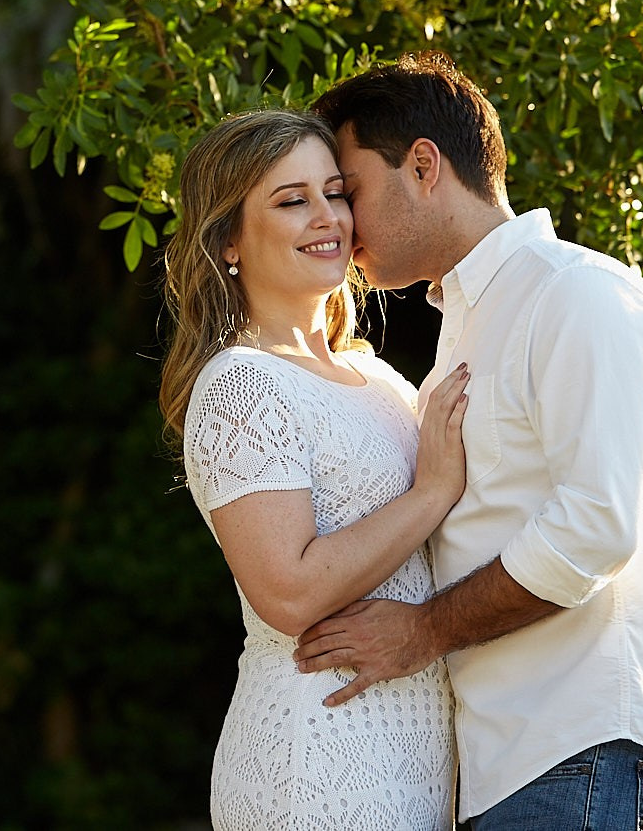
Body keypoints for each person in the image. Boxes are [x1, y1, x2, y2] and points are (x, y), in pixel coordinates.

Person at [294, 53, 643, 830]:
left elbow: (598, 523)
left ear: (423, 165)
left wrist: (423, 631)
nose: (341, 226)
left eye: (348, 192)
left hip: (587, 753)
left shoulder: (578, 293)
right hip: (507, 773)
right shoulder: (465, 332)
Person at [164, 107, 471, 830]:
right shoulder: (242, 381)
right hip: (312, 757)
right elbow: (291, 590)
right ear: (230, 240)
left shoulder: (385, 383)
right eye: (292, 200)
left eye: (335, 192)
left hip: (415, 762)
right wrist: (431, 492)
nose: (327, 216)